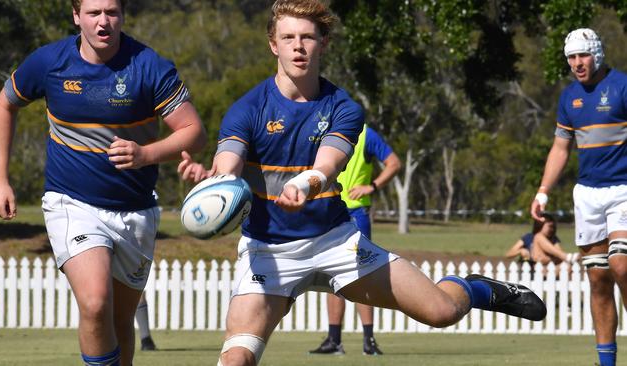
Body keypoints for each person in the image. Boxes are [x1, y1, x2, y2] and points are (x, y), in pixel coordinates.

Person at [179, 1, 545, 365]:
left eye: (308, 37)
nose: (298, 46)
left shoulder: (343, 107)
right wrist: (216, 179)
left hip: (336, 242)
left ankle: (478, 288)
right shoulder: (247, 108)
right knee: (236, 360)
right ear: (273, 45)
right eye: (288, 37)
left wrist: (307, 184)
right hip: (268, 253)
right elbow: (229, 160)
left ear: (324, 43)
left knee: (442, 311)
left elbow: (329, 163)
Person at [0, 0, 206, 365]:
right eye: (93, 13)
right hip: (72, 203)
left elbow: (194, 133)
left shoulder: (149, 66)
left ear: (122, 15)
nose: (103, 21)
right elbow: (5, 104)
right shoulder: (49, 62)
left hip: (136, 211)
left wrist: (145, 155)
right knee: (94, 303)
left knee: (121, 322)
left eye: (111, 12)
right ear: (77, 17)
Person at [530, 28, 627, 366]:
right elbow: (560, 148)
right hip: (587, 195)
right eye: (571, 57)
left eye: (582, 55)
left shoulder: (622, 86)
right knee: (599, 278)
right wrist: (542, 191)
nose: (577, 63)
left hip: (623, 191)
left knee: (622, 264)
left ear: (597, 54)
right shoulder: (569, 97)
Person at [309, 125, 400, 356]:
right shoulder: (323, 131)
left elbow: (394, 163)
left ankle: (369, 341)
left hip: (356, 214)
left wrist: (372, 186)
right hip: (329, 211)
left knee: (363, 275)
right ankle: (334, 340)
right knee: (331, 275)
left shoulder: (366, 134)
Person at [505, 214, 578, 273]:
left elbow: (559, 256)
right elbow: (508, 254)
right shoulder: (529, 237)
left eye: (553, 227)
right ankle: (568, 257)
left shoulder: (553, 238)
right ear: (540, 225)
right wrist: (520, 251)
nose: (552, 229)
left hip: (547, 268)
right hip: (532, 269)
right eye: (549, 227)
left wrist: (548, 259)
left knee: (567, 267)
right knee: (538, 236)